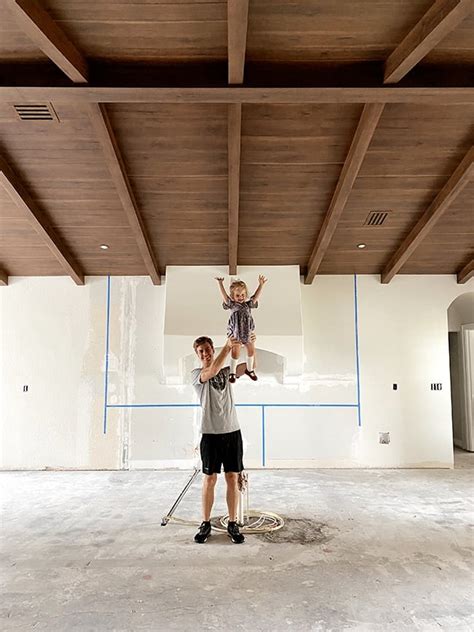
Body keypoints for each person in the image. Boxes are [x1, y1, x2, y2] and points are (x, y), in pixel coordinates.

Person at [191, 334, 254, 544]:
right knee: (209, 479)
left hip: (232, 432)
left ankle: (233, 523)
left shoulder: (228, 372)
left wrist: (249, 343)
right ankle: (206, 523)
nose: (206, 353)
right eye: (201, 351)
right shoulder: (197, 375)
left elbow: (250, 366)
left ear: (212, 349)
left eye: (208, 349)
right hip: (210, 434)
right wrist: (227, 347)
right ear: (197, 354)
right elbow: (212, 371)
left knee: (232, 478)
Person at [215, 275, 267, 383]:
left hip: (247, 331)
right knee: (236, 352)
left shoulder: (248, 305)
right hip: (236, 331)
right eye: (238, 295)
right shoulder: (232, 305)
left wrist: (261, 285)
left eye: (243, 295)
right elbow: (225, 297)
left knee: (251, 350)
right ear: (233, 296)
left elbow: (255, 297)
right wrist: (220, 284)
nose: (241, 297)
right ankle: (232, 372)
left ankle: (250, 370)